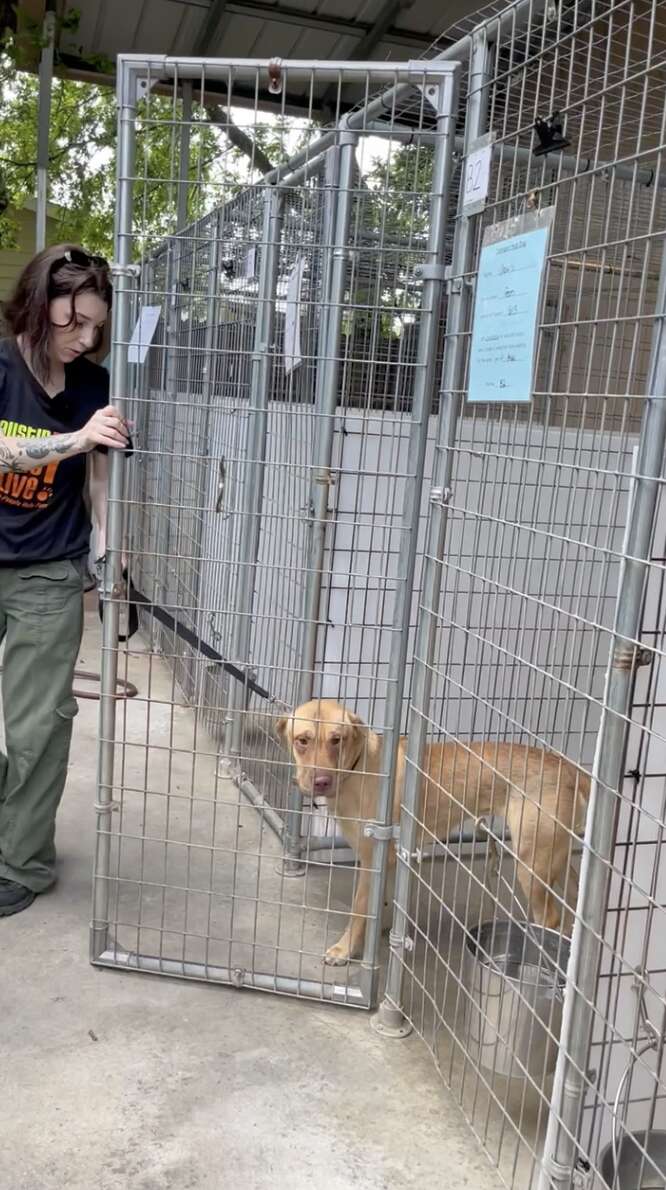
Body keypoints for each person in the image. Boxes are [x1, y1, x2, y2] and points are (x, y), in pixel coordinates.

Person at [0, 243, 129, 916]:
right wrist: (77, 438)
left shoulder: (94, 386)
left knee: (37, 728)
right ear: (37, 305)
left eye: (95, 325)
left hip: (49, 570)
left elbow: (99, 482)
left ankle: (23, 861)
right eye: (72, 320)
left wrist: (113, 554)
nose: (85, 337)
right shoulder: (0, 365)